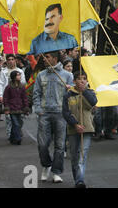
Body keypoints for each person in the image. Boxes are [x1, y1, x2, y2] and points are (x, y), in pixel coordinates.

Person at [32, 51, 73, 183]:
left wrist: (70, 90)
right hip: (45, 114)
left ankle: (56, 172)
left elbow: (74, 96)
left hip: (60, 114)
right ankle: (46, 165)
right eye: (44, 57)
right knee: (42, 144)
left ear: (54, 58)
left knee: (60, 145)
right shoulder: (41, 75)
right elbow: (36, 94)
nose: (44, 59)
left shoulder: (67, 75)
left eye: (47, 57)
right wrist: (38, 109)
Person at [62, 70, 98, 188]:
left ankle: (80, 180)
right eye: (79, 78)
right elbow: (66, 112)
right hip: (73, 129)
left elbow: (93, 102)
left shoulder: (90, 92)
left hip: (87, 128)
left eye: (84, 78)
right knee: (74, 155)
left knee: (83, 154)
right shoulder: (68, 94)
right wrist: (75, 124)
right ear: (74, 81)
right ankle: (77, 177)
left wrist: (84, 91)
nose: (82, 81)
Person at [0, 54, 26, 139]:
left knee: (20, 118)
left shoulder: (20, 71)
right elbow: (1, 83)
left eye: (12, 59)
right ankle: (11, 134)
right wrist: (0, 95)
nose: (11, 61)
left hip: (18, 97)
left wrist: (17, 79)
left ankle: (17, 130)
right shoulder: (4, 72)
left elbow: (24, 83)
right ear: (6, 61)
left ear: (15, 60)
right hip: (8, 97)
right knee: (9, 118)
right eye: (9, 59)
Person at [3, 70, 29, 145]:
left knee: (19, 124)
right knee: (15, 124)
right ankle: (18, 138)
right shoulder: (9, 87)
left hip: (20, 108)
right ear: (14, 77)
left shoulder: (22, 87)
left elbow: (25, 98)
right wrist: (7, 108)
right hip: (12, 108)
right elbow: (6, 98)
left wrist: (26, 107)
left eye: (19, 75)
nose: (19, 76)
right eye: (18, 75)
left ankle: (12, 137)